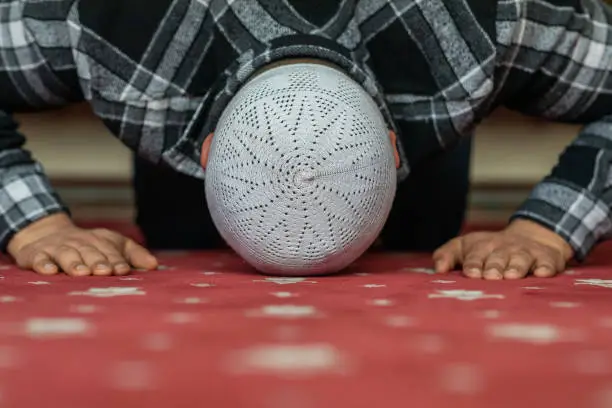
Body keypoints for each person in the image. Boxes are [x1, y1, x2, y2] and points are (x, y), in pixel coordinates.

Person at [0, 0, 609, 279]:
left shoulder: (491, 18)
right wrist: (36, 224)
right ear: (206, 155)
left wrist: (546, 228)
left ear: (394, 152)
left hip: (424, 167)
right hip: (176, 160)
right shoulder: (100, 20)